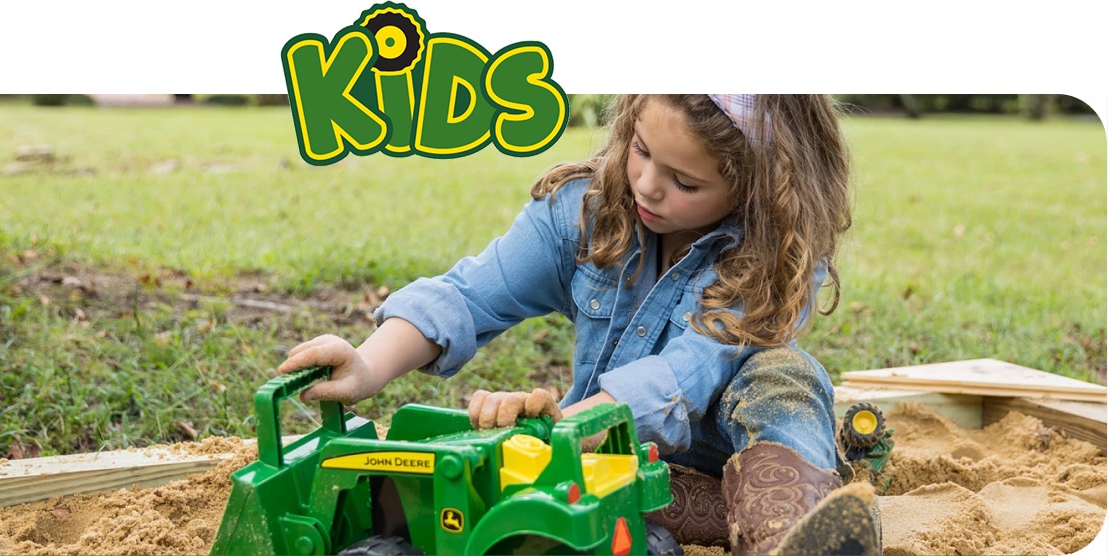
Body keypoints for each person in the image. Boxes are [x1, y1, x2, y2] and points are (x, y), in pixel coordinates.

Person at [277, 94, 880, 555]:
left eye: (685, 181)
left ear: (758, 187)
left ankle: (792, 530)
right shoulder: (585, 209)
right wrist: (368, 363)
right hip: (614, 463)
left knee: (784, 374)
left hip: (720, 452)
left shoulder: (774, 258)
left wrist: (575, 423)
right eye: (641, 149)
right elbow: (469, 294)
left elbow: (686, 371)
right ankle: (707, 513)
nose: (646, 183)